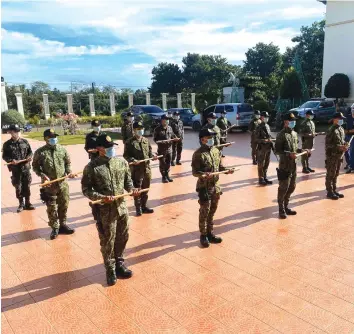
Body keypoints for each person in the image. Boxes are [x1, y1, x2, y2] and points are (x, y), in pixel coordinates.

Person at [81, 134, 139, 286]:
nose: (111, 149)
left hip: (121, 207)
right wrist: (100, 197)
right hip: (105, 211)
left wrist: (132, 189)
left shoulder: (121, 163)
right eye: (108, 148)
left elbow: (128, 181)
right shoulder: (91, 167)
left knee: (123, 236)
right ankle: (110, 268)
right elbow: (86, 189)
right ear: (99, 149)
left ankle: (119, 262)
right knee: (108, 240)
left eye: (112, 147)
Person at [192, 128, 234, 248]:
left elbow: (219, 167)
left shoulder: (216, 151)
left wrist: (227, 171)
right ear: (202, 140)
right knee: (204, 211)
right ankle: (203, 235)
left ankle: (210, 233)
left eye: (212, 137)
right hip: (204, 187)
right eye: (209, 138)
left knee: (212, 211)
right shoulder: (198, 154)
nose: (212, 140)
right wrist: (203, 175)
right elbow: (195, 172)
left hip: (215, 186)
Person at [32, 129, 76, 239]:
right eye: (51, 137)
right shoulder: (40, 152)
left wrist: (69, 172)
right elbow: (35, 167)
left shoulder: (62, 149)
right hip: (49, 185)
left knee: (64, 205)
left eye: (55, 137)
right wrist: (42, 175)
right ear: (45, 139)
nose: (54, 139)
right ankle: (55, 228)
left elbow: (67, 163)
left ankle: (63, 225)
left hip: (62, 183)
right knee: (52, 207)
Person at [275, 113, 310, 219]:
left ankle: (286, 206)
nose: (293, 122)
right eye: (291, 121)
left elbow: (295, 149)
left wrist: (303, 150)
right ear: (286, 122)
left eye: (294, 121)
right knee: (283, 188)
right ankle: (281, 209)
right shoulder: (281, 135)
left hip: (293, 165)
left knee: (292, 186)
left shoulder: (294, 134)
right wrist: (288, 154)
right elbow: (277, 151)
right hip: (284, 165)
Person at [123, 121, 157, 216]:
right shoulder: (129, 142)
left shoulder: (146, 140)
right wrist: (133, 160)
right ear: (134, 130)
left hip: (146, 169)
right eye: (138, 129)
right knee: (137, 190)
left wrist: (153, 156)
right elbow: (126, 155)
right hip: (136, 170)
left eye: (141, 129)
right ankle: (138, 208)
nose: (140, 131)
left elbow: (149, 153)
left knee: (145, 189)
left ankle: (144, 206)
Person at [2, 124, 35, 212]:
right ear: (11, 132)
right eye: (14, 132)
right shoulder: (7, 144)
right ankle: (21, 204)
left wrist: (29, 157)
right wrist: (11, 160)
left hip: (26, 168)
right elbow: (4, 156)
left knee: (27, 186)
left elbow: (30, 152)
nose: (17, 133)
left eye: (17, 131)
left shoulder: (25, 141)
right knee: (18, 187)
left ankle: (28, 203)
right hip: (15, 169)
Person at [325, 111, 348, 200]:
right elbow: (328, 145)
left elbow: (341, 141)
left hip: (339, 156)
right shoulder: (331, 130)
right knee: (330, 174)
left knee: (336, 173)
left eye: (342, 119)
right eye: (340, 119)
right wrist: (339, 147)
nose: (341, 120)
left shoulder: (341, 129)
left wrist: (345, 144)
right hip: (332, 156)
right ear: (335, 120)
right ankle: (329, 192)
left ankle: (334, 190)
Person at [153, 115, 179, 183]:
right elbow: (155, 139)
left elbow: (173, 135)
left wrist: (176, 138)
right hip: (162, 150)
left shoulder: (170, 128)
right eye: (166, 119)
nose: (167, 121)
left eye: (168, 119)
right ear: (162, 120)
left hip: (169, 149)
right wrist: (160, 142)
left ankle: (167, 175)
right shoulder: (157, 129)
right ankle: (163, 177)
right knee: (162, 164)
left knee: (168, 163)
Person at [255, 111, 274, 186]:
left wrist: (273, 139)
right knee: (261, 164)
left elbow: (269, 136)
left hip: (268, 148)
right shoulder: (258, 127)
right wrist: (264, 140)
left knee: (267, 163)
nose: (267, 118)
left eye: (267, 117)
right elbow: (256, 139)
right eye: (265, 117)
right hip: (261, 148)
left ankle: (265, 177)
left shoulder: (267, 126)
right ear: (262, 118)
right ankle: (261, 178)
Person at [344, 107, 354, 173]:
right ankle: (348, 163)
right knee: (345, 150)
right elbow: (343, 125)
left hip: (353, 136)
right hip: (347, 135)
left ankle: (351, 166)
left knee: (352, 151)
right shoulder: (348, 116)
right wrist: (346, 130)